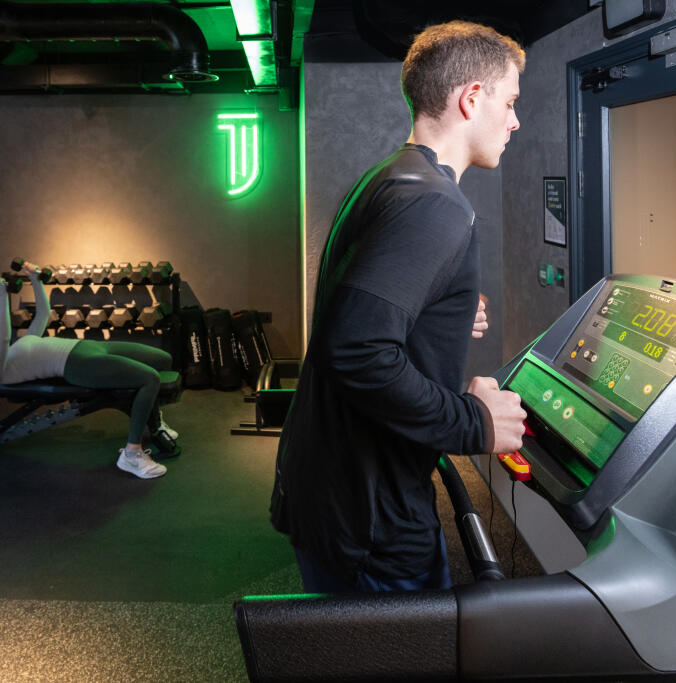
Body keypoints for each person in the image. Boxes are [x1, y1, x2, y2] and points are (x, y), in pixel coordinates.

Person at [270, 20, 528, 593]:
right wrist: (475, 421)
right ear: (472, 98)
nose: (515, 121)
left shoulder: (390, 177)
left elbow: (362, 305)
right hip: (370, 514)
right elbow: (355, 350)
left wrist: (440, 306)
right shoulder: (435, 204)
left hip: (333, 488)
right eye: (510, 103)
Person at [0, 261, 179, 479]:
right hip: (77, 365)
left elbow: (43, 314)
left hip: (90, 347)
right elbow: (1, 337)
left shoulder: (16, 348)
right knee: (149, 379)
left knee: (163, 360)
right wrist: (1, 294)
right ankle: (131, 455)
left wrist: (35, 279)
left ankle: (154, 423)